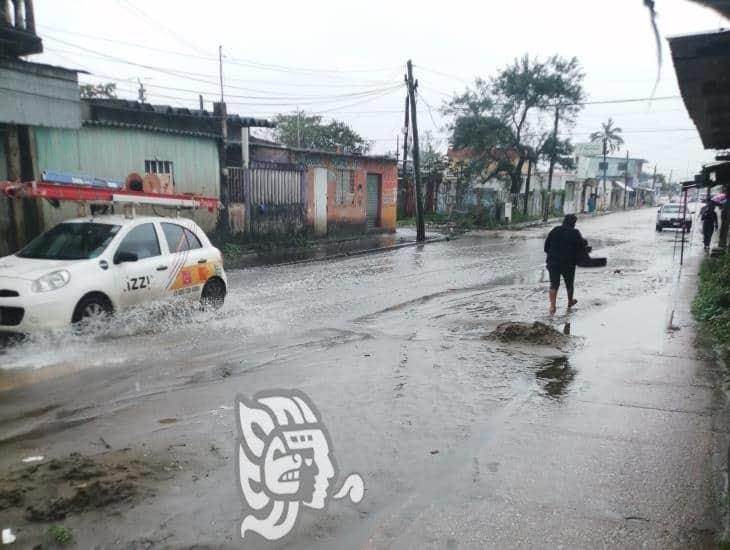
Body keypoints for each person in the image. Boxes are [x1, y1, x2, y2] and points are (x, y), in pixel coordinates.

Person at [544, 214, 586, 315]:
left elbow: (546, 247)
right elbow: (581, 248)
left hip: (553, 262)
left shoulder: (555, 230)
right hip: (568, 264)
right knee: (569, 284)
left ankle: (552, 306)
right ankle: (570, 301)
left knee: (554, 284)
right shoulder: (575, 233)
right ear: (574, 223)